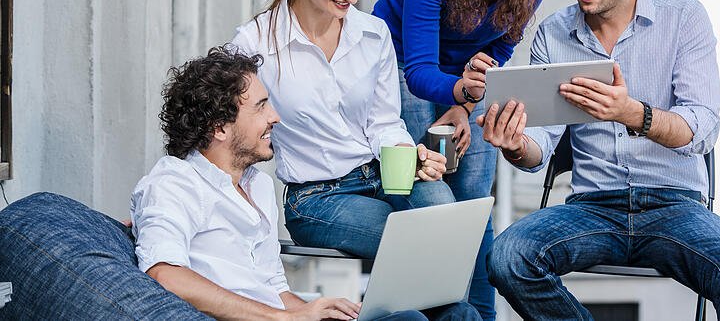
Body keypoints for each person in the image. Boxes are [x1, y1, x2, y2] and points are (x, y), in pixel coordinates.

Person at [477, 0, 720, 320]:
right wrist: (513, 144)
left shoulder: (684, 19)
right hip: (592, 207)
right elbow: (538, 146)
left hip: (675, 206)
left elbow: (703, 130)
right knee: (508, 257)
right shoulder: (554, 33)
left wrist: (632, 113)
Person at [132, 47, 468, 320]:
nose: (275, 117)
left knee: (454, 314)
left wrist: (314, 310)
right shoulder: (174, 183)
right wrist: (285, 318)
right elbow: (166, 275)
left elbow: (276, 291)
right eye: (261, 107)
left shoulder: (257, 186)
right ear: (219, 126)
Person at [230, 0, 463, 268]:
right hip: (315, 198)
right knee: (416, 244)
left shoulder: (374, 34)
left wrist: (408, 156)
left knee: (443, 211)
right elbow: (233, 133)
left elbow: (384, 122)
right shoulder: (255, 44)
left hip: (382, 173)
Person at [371, 0, 555, 319]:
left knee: (473, 197)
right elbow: (417, 72)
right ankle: (440, 310)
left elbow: (503, 44)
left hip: (466, 79)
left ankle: (479, 314)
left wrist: (465, 104)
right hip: (400, 61)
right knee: (430, 187)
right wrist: (460, 89)